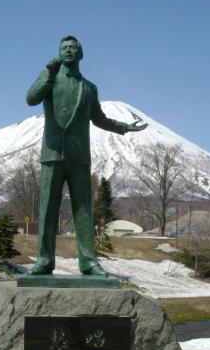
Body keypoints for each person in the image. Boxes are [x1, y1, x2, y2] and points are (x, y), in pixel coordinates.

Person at [26, 35, 147, 276]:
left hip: (79, 157)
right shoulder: (49, 79)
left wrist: (125, 127)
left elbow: (99, 119)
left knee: (83, 212)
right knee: (48, 210)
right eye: (64, 48)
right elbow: (31, 98)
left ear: (81, 54)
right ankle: (44, 260)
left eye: (73, 48)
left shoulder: (89, 88)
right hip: (52, 154)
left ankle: (88, 262)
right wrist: (48, 74)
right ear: (59, 53)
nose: (69, 50)